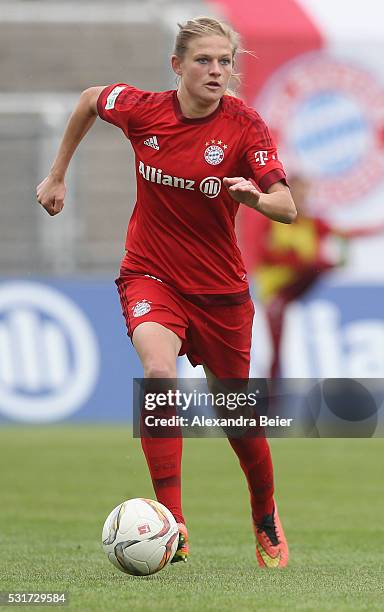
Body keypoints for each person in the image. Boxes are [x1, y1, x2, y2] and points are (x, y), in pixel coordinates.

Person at [36, 16, 296, 568]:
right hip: (150, 273)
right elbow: (89, 100)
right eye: (204, 60)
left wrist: (252, 196)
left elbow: (287, 207)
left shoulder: (245, 126)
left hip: (221, 291)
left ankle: (265, 513)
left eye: (225, 61)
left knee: (237, 419)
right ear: (177, 65)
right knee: (159, 372)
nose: (217, 71)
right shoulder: (143, 110)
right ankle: (172, 521)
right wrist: (57, 174)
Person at [250, 174, 383, 377]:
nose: (302, 199)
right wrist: (298, 261)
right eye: (298, 193)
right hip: (276, 288)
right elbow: (263, 255)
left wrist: (377, 228)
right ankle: (271, 383)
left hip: (299, 283)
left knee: (319, 265)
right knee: (275, 337)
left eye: (305, 194)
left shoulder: (312, 222)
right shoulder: (270, 218)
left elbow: (345, 233)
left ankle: (273, 383)